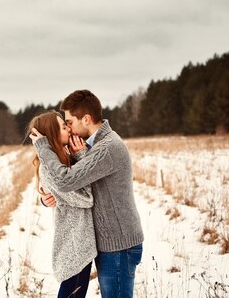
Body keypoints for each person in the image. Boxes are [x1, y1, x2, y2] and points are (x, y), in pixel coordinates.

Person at [30, 90, 144, 298]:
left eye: (70, 122)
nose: (69, 128)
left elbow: (67, 181)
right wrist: (48, 198)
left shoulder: (106, 148)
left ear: (87, 119)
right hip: (110, 244)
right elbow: (67, 183)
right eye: (64, 125)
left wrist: (43, 149)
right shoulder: (93, 145)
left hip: (118, 245)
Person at [27, 111, 97, 298]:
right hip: (73, 248)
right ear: (52, 134)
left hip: (78, 243)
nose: (68, 128)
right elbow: (85, 198)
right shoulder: (50, 169)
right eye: (63, 126)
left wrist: (79, 155)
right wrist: (82, 156)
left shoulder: (61, 160)